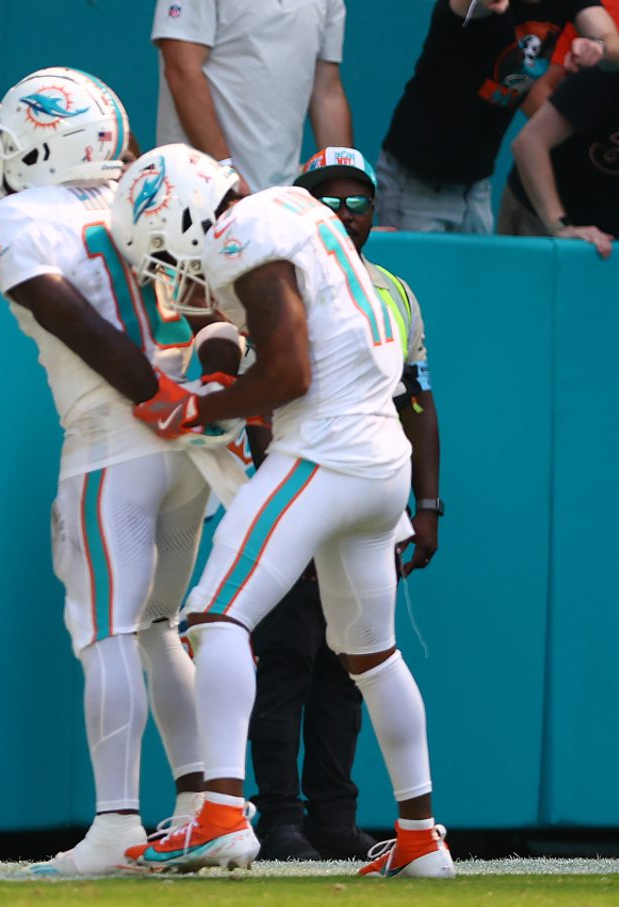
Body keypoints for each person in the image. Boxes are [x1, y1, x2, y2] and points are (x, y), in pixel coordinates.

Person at [111, 144, 453, 878]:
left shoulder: (250, 227)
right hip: (380, 461)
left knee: (213, 614)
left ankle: (222, 814)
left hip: (325, 450)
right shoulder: (296, 213)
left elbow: (290, 369)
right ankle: (422, 835)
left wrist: (198, 406)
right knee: (370, 653)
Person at [0, 68, 253, 878]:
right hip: (190, 444)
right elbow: (213, 308)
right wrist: (205, 393)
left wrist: (152, 394)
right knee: (161, 625)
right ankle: (207, 812)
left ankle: (119, 825)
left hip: (113, 436)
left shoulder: (16, 219)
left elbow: (62, 306)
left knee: (108, 631)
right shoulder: (146, 188)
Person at [240, 147, 444, 863]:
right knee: (285, 655)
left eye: (357, 201)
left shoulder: (394, 290)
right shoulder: (276, 280)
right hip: (299, 483)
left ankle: (334, 816)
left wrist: (428, 504)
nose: (344, 213)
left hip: (370, 491)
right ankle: (280, 819)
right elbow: (260, 394)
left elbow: (415, 397)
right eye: (328, 200)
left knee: (353, 663)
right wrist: (282, 491)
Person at [376, 0, 619, 234]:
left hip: (475, 185)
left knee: (473, 281)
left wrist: (599, 49)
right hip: (416, 181)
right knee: (415, 280)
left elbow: (616, 48)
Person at [150, 0, 351, 193]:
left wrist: (344, 183)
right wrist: (225, 172)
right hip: (197, 193)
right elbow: (182, 71)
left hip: (279, 196)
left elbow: (327, 93)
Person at [502, 66, 619, 256]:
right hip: (541, 218)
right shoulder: (612, 71)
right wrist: (560, 226)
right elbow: (529, 143)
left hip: (612, 240)